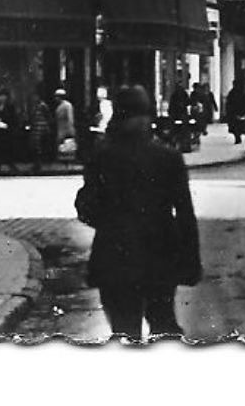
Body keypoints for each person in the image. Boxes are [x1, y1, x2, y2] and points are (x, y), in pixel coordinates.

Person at [77, 85, 201, 341]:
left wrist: (111, 223)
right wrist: (190, 262)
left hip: (115, 256)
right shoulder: (168, 158)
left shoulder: (102, 156)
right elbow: (186, 215)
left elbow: (87, 208)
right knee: (163, 325)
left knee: (124, 332)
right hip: (159, 255)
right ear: (147, 117)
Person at [0, 88, 22, 174]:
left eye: (3, 96)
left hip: (7, 132)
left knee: (8, 149)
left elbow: (13, 119)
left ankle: (11, 165)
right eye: (0, 96)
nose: (1, 98)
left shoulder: (10, 107)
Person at [28, 92, 54, 174]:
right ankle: (36, 164)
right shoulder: (35, 106)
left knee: (39, 148)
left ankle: (38, 164)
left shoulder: (42, 105)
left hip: (41, 129)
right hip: (36, 129)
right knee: (35, 147)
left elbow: (48, 116)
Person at [54, 88, 78, 163]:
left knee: (67, 146)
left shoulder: (67, 105)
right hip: (61, 129)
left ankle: (68, 161)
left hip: (66, 130)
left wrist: (71, 129)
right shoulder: (59, 106)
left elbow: (70, 118)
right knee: (61, 147)